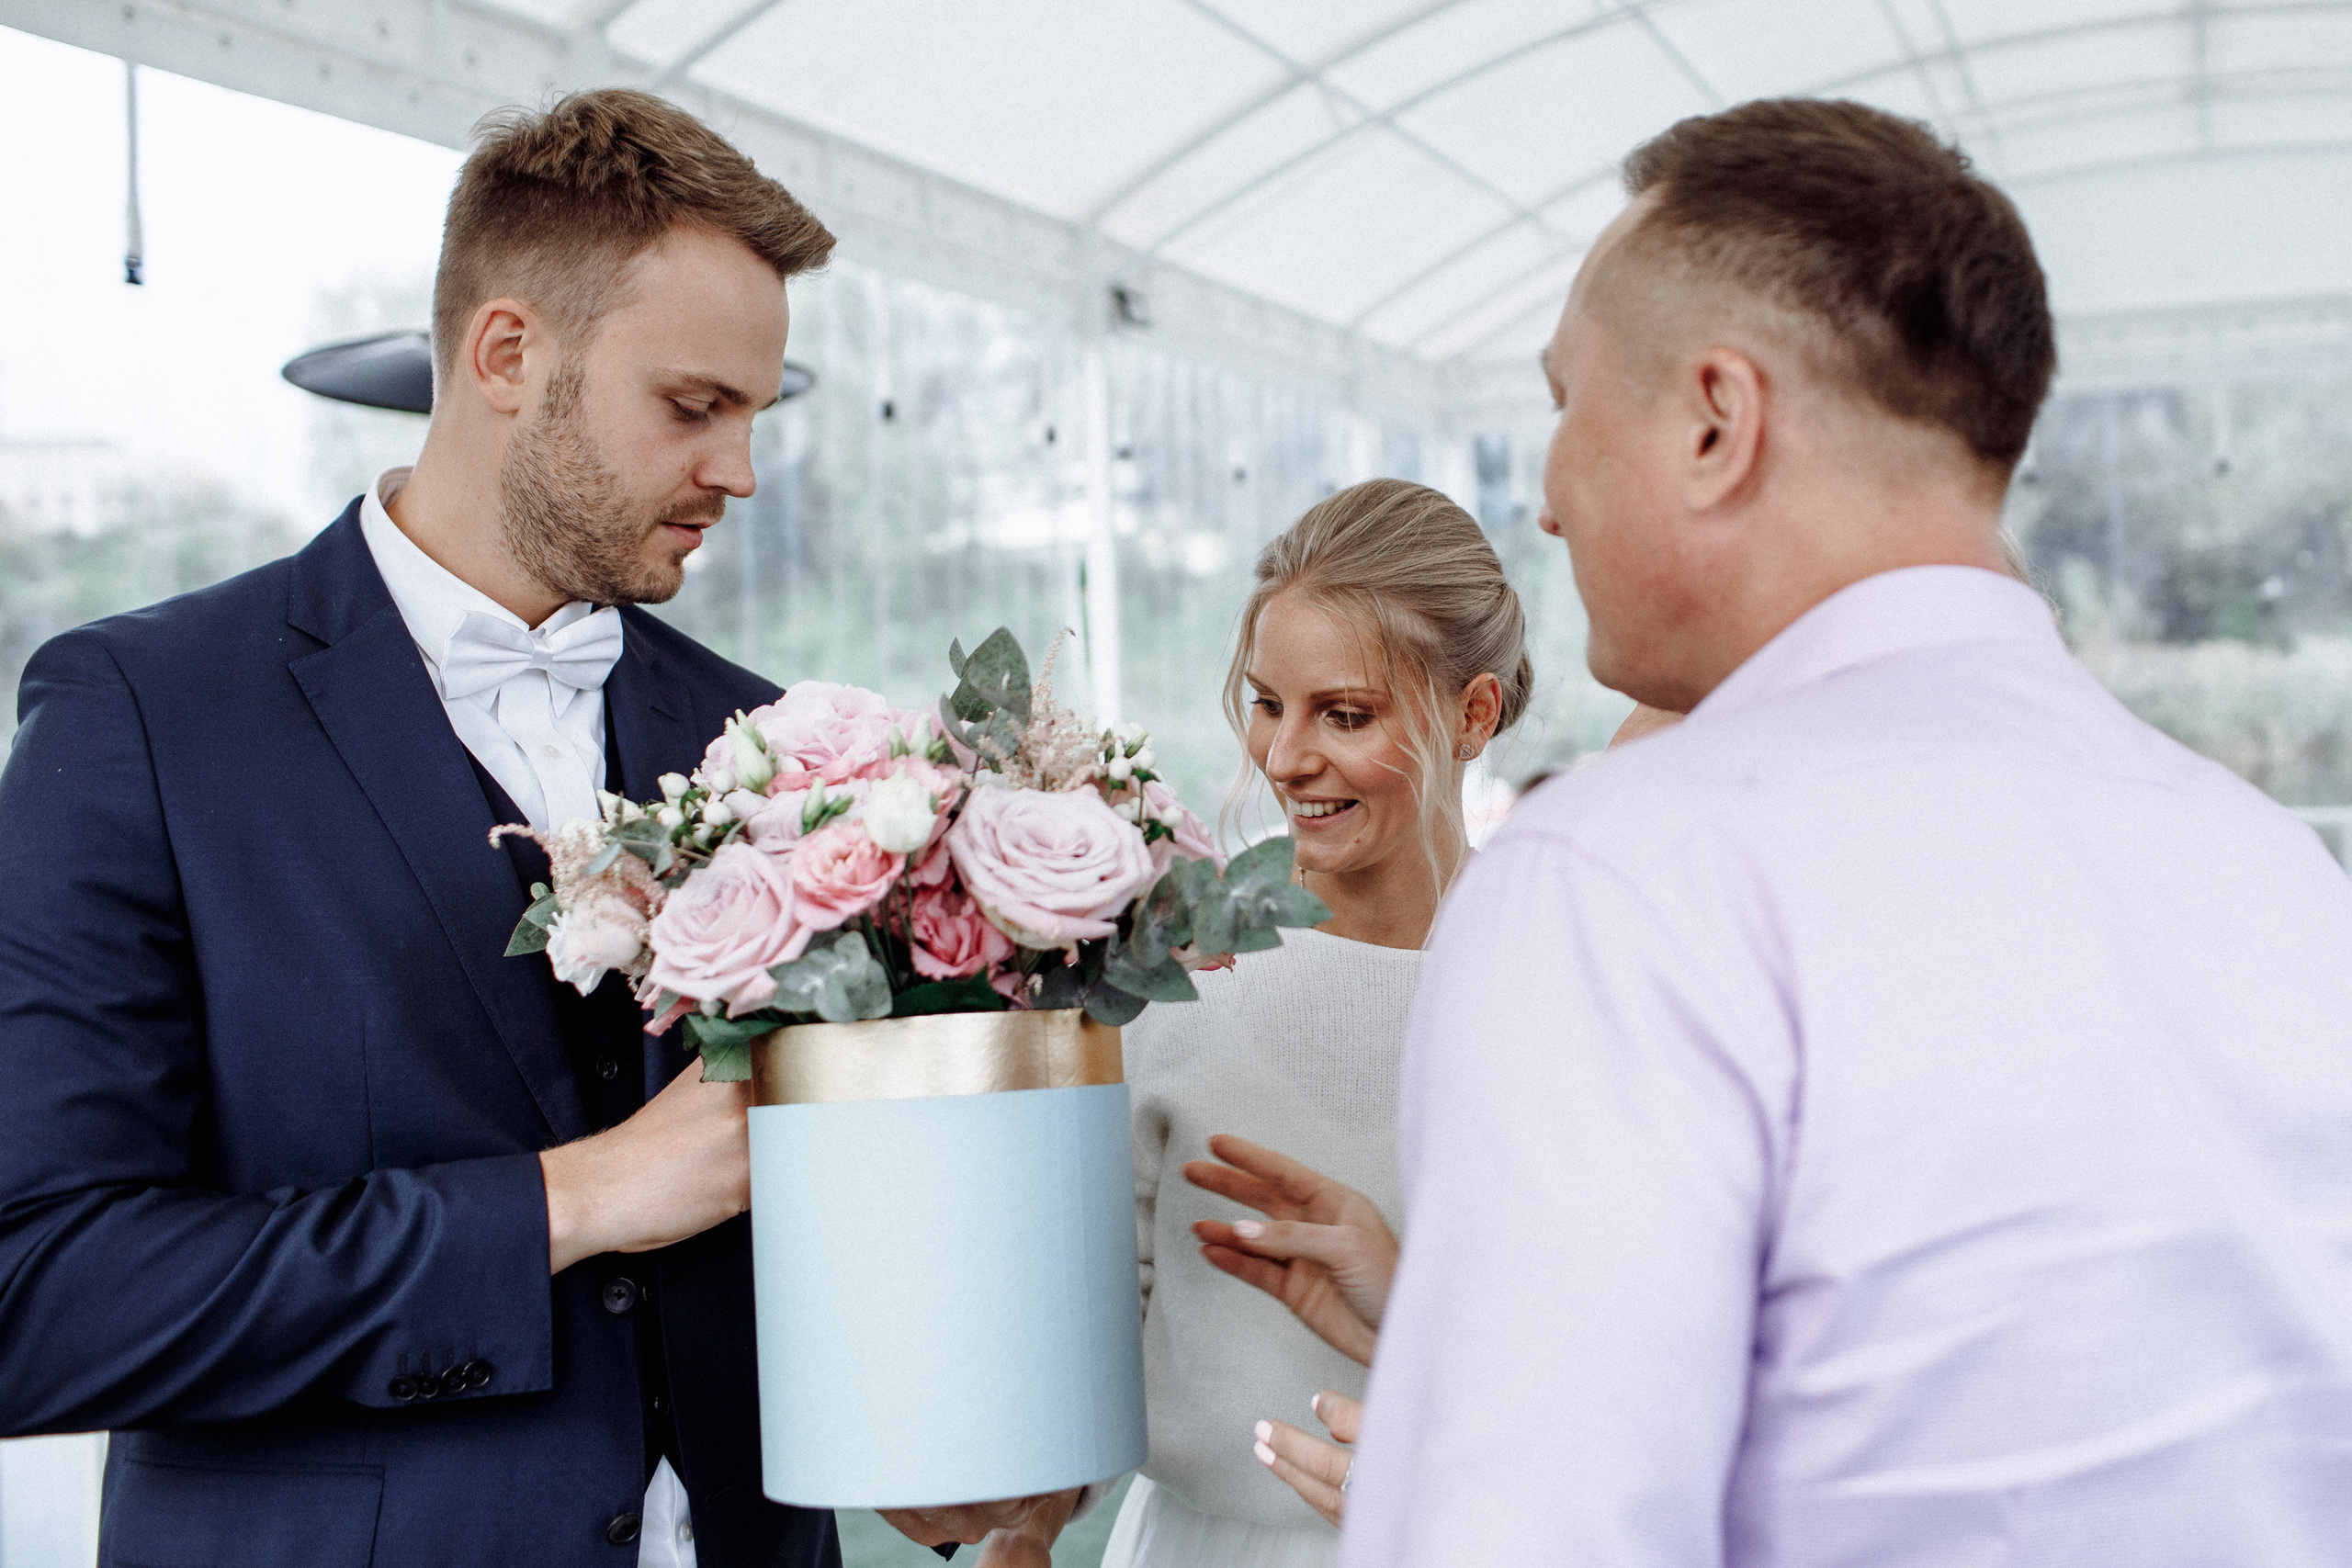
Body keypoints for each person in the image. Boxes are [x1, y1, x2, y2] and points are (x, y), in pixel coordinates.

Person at [0, 89, 1046, 1567]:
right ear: (508, 354)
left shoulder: (777, 743)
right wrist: (578, 1196)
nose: (740, 471)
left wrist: (913, 1421)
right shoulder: (145, 717)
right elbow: (42, 1294)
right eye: (695, 407)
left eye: (756, 412)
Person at [1343, 98, 2352, 1566]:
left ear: (1713, 420)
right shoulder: (2276, 868)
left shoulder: (1626, 878)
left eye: (1565, 404)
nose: (1546, 500)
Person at [1071, 478, 1531, 1568]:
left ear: (1473, 714)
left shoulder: (1566, 982)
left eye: (1344, 713)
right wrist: (1022, 1515)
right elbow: (1094, 1337)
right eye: (1268, 703)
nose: (1282, 759)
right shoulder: (1176, 973)